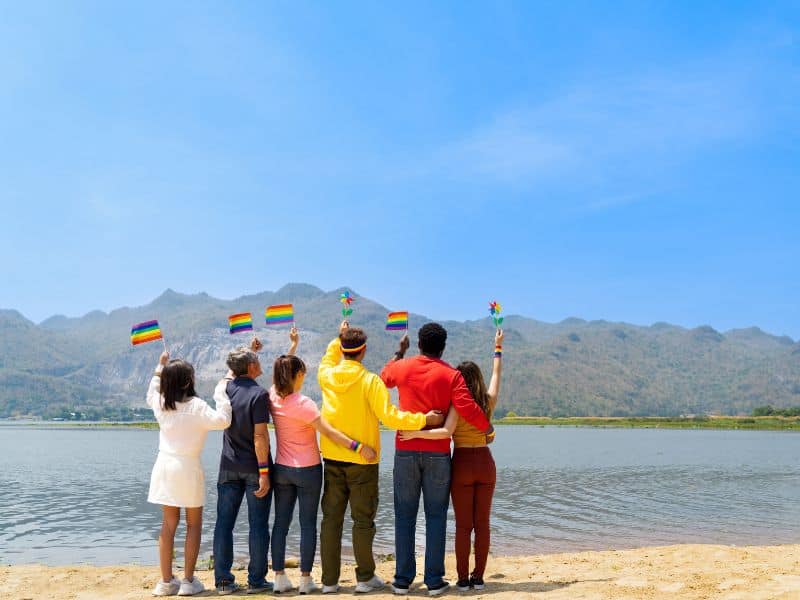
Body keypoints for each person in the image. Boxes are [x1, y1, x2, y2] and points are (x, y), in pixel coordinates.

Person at [317, 321, 444, 595]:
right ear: (363, 352)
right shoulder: (369, 381)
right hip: (364, 460)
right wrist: (424, 419)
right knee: (363, 521)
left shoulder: (326, 375)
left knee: (331, 520)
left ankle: (329, 581)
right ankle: (364, 578)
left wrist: (337, 336)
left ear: (343, 349)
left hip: (332, 459)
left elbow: (328, 357)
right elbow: (390, 417)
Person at [381, 323, 494, 597]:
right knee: (436, 516)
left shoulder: (403, 366)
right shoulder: (452, 375)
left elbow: (383, 378)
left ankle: (402, 581)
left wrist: (399, 352)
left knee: (404, 516)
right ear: (443, 347)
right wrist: (487, 428)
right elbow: (467, 406)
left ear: (419, 344)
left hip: (405, 450)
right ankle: (434, 581)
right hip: (438, 454)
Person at [266, 327, 378, 594]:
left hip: (281, 469)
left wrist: (292, 347)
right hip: (308, 471)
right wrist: (358, 446)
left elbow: (280, 370)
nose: (305, 377)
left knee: (281, 523)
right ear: (297, 375)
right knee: (308, 524)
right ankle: (305, 580)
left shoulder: (273, 397)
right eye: (302, 373)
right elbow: (329, 433)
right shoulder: (305, 404)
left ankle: (280, 577)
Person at [146, 351, 232, 597]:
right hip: (188, 467)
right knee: (193, 525)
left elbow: (151, 392)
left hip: (164, 466)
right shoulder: (197, 406)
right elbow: (223, 420)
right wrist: (221, 393)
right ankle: (187, 581)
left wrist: (159, 366)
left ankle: (165, 582)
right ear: (187, 381)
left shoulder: (162, 403)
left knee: (168, 525)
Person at [212, 346, 273, 595]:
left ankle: (223, 581)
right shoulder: (259, 395)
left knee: (224, 524)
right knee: (258, 525)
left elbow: (230, 373)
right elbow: (260, 436)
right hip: (253, 468)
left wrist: (246, 351)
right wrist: (264, 473)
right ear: (250, 367)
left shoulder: (225, 388)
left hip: (228, 467)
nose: (260, 363)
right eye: (257, 360)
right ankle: (256, 580)